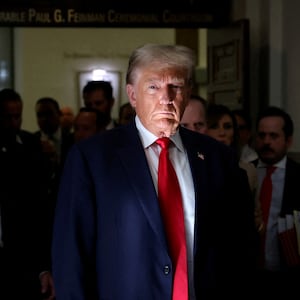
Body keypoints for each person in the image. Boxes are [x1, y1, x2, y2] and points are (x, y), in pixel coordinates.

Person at [52, 43, 256, 299]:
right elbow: (71, 256)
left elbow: (242, 249)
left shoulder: (217, 158)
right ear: (133, 95)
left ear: (189, 92)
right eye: (153, 86)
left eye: (176, 86)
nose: (166, 98)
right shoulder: (92, 159)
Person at [0, 88, 55, 299]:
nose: (14, 122)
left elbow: (39, 208)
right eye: (7, 116)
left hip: (22, 257)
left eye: (18, 116)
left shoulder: (31, 147)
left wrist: (43, 267)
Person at [253, 106, 300, 291]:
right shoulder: (244, 172)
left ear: (288, 141)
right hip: (249, 272)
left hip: (287, 273)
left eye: (273, 136)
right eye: (262, 135)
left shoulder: (297, 176)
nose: (266, 142)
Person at [206, 103, 258, 194]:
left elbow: (255, 207)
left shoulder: (248, 170)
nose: (222, 133)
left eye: (227, 127)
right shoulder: (196, 168)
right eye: (214, 126)